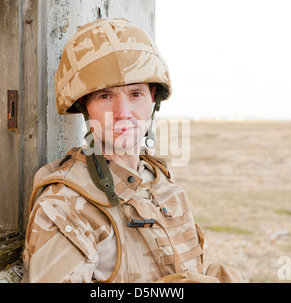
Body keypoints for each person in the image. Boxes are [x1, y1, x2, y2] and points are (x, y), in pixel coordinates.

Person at [22, 18, 242, 283]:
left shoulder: (159, 181)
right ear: (85, 106)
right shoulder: (65, 205)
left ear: (153, 99)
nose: (123, 113)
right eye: (105, 96)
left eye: (135, 94)